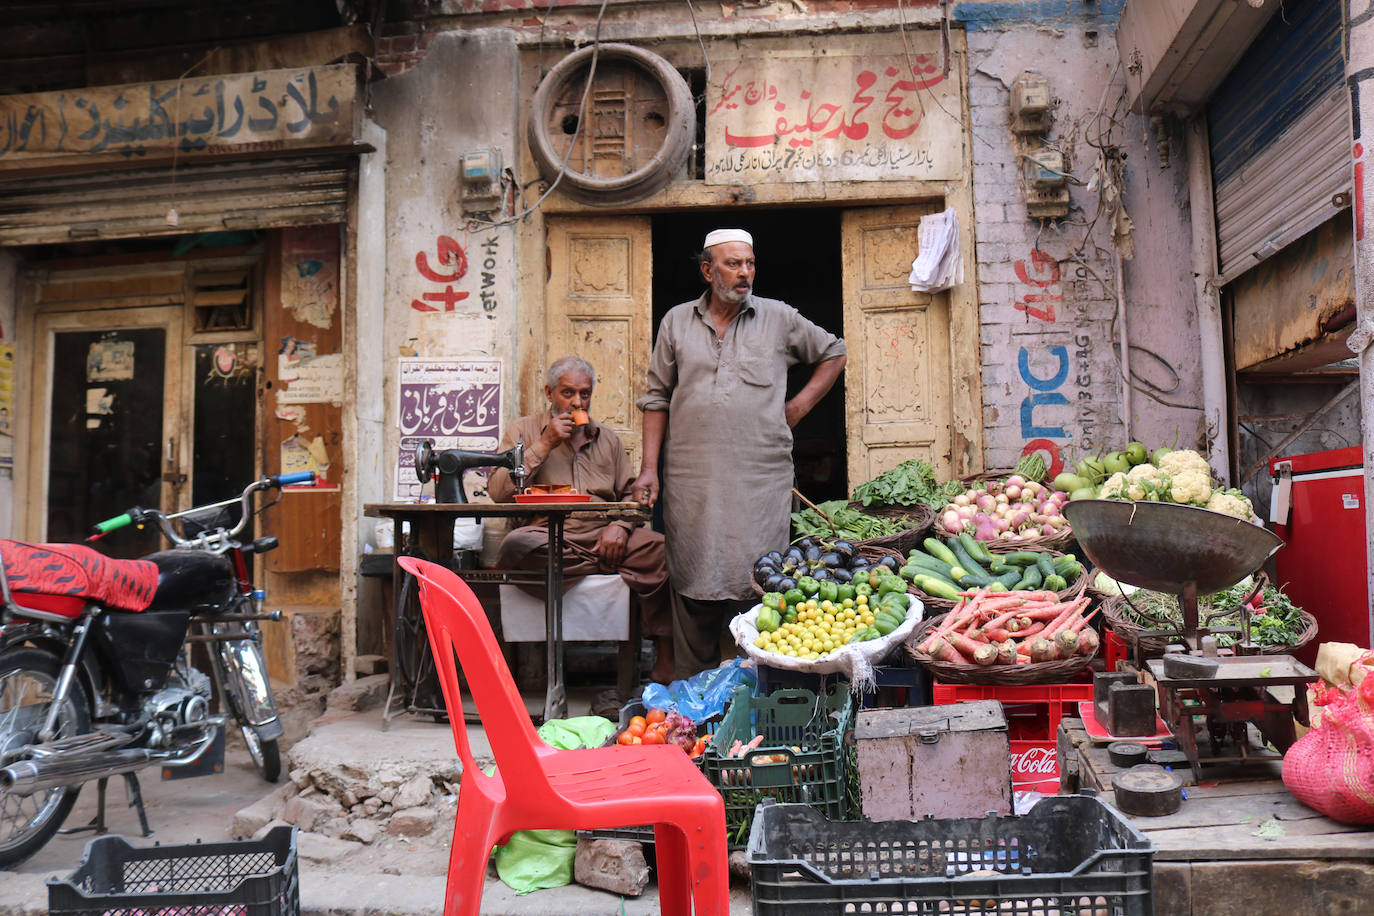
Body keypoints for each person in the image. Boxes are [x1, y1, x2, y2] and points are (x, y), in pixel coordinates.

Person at [632, 228, 847, 678]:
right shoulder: (676, 321)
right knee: (693, 574)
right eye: (733, 264)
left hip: (760, 478)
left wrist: (797, 407)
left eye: (749, 264)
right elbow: (656, 398)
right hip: (692, 478)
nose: (744, 273)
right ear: (708, 271)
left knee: (759, 576)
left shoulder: (778, 317)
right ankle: (696, 694)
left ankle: (758, 686)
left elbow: (834, 352)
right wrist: (649, 469)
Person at [489, 355, 675, 683]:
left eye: (584, 394)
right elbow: (498, 491)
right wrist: (545, 443)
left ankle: (666, 659)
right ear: (549, 393)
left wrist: (619, 527)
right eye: (568, 393)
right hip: (548, 537)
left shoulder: (607, 439)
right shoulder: (522, 431)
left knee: (666, 551)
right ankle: (608, 563)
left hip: (603, 536)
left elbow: (632, 496)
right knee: (515, 547)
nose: (577, 402)